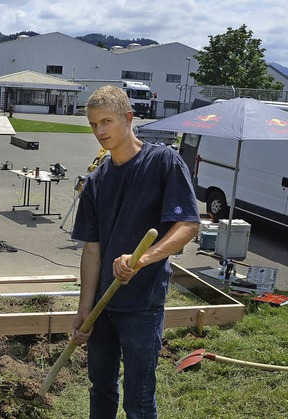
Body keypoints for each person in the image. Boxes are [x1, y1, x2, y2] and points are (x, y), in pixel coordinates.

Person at [70, 85, 199, 418]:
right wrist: (85, 308)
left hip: (142, 305)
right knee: (101, 389)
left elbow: (187, 226)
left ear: (128, 118)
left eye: (106, 122)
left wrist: (142, 259)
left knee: (138, 399)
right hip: (103, 305)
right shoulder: (97, 182)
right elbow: (92, 250)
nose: (99, 131)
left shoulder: (162, 162)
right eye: (93, 124)